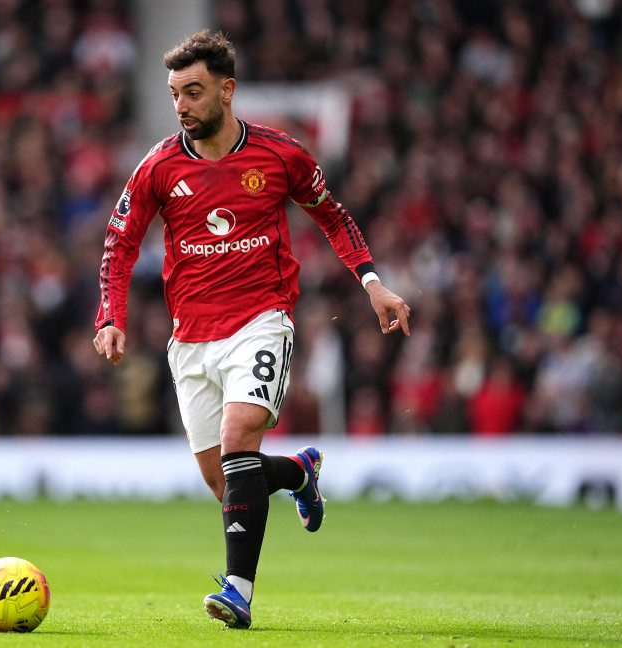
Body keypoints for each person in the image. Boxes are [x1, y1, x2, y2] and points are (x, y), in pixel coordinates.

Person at [92, 30, 411, 629]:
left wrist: (372, 282)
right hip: (190, 339)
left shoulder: (281, 155)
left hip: (260, 321)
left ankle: (237, 590)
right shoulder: (158, 166)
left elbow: (333, 216)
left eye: (193, 92)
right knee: (227, 484)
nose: (182, 105)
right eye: (174, 94)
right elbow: (120, 242)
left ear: (226, 89)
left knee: (240, 438)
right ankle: (298, 472)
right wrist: (111, 315)